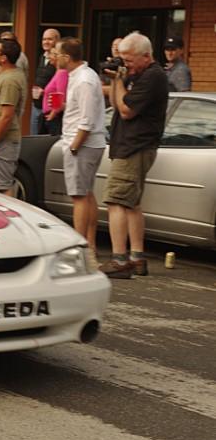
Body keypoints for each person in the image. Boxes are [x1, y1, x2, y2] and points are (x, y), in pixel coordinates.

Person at [100, 32, 169, 278]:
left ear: (146, 56)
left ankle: (120, 261)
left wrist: (118, 81)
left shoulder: (153, 77)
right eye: (123, 60)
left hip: (134, 147)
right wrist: (119, 76)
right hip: (132, 146)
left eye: (129, 60)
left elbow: (126, 110)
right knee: (132, 204)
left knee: (116, 201)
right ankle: (137, 258)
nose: (126, 64)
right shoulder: (139, 74)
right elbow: (115, 103)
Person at [56, 37, 106, 269]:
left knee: (78, 196)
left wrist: (75, 145)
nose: (53, 57)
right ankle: (90, 246)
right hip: (87, 142)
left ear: (67, 57)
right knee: (86, 194)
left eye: (57, 53)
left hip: (83, 144)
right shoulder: (83, 76)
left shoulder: (84, 79)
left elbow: (86, 119)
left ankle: (80, 249)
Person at [0, 39, 27, 196]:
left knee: (1, 187)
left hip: (3, 140)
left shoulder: (9, 80)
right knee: (0, 184)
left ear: (3, 58)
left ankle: (7, 218)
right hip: (2, 139)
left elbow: (7, 115)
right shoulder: (9, 72)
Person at [31, 29, 60, 135]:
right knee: (34, 137)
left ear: (57, 41)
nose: (46, 42)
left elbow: (60, 89)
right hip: (36, 104)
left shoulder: (59, 64)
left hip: (50, 109)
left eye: (49, 39)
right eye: (44, 39)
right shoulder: (41, 57)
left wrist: (53, 111)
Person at [41, 43, 67, 136]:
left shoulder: (62, 73)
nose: (49, 57)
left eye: (52, 54)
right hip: (48, 114)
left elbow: (61, 95)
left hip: (54, 117)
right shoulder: (56, 72)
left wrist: (52, 114)